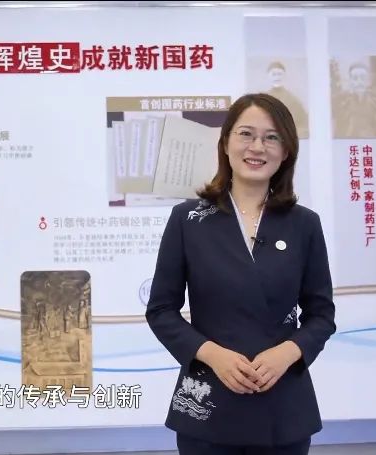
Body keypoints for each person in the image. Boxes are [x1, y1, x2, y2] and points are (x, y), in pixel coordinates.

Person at [145, 93, 336, 455]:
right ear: (225, 143)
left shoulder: (304, 224)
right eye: (246, 134)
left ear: (286, 151)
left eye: (271, 137)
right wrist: (211, 354)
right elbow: (161, 311)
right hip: (207, 403)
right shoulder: (188, 220)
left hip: (283, 407)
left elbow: (322, 315)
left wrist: (288, 353)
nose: (257, 147)